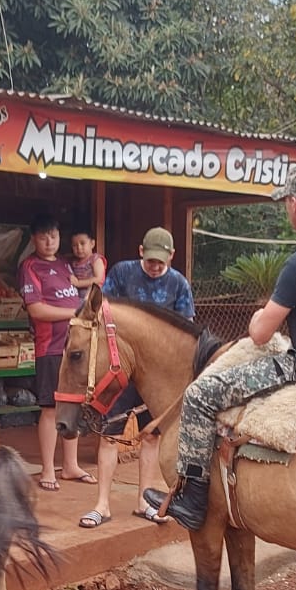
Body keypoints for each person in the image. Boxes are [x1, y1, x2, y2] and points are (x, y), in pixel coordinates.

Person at [145, 162, 296, 531]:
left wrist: (259, 316)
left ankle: (190, 498)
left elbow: (260, 333)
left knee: (202, 394)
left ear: (294, 204)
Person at [77, 226, 195, 528]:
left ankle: (144, 501)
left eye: (161, 261)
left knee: (152, 436)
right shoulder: (122, 273)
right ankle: (101, 505)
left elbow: (185, 329)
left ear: (171, 256)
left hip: (155, 376)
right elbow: (104, 316)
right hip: (120, 369)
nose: (155, 267)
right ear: (141, 252)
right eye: (151, 260)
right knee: (110, 434)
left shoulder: (178, 283)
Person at [18, 212, 94, 491]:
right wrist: (74, 313)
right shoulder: (30, 267)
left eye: (54, 236)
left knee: (72, 403)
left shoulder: (65, 265)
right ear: (33, 239)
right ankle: (48, 469)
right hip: (50, 347)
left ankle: (71, 466)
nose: (49, 241)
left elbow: (91, 273)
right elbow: (36, 310)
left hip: (74, 345)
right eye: (43, 237)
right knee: (50, 408)